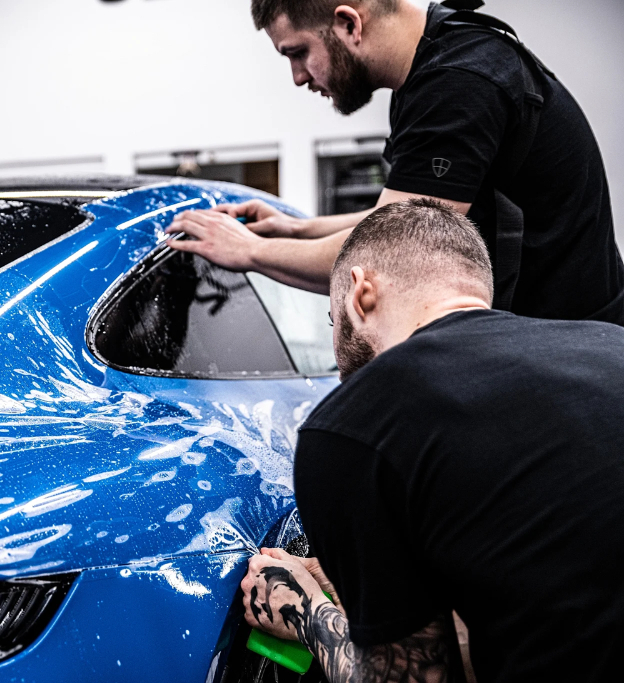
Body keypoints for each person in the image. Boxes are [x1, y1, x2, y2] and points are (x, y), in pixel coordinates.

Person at [239, 199, 624, 682]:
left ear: (360, 293)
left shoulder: (355, 425)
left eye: (334, 321)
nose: (337, 367)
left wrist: (305, 610)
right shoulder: (612, 345)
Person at [167, 0, 624, 325]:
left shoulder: (459, 83)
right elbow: (405, 216)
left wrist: (249, 252)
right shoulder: (440, 64)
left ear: (349, 23)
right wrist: (297, 228)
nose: (298, 77)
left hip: (574, 353)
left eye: (298, 52)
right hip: (556, 342)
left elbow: (388, 255)